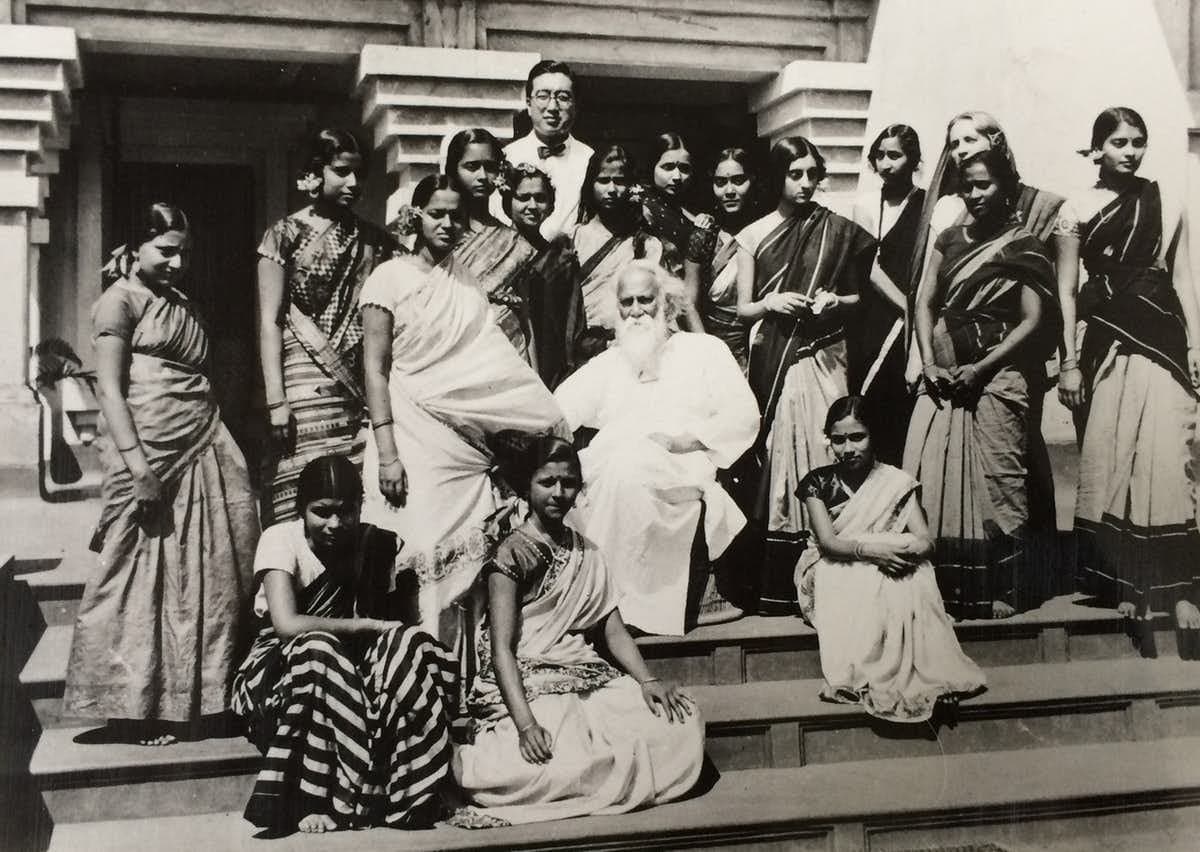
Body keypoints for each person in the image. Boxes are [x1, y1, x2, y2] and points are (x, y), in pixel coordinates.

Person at [63, 203, 259, 745]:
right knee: (142, 569)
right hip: (148, 448)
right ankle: (136, 706)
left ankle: (203, 698)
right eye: (166, 251)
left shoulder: (183, 305)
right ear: (135, 247)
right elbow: (108, 389)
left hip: (202, 436)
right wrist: (139, 467)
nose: (177, 262)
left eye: (185, 253)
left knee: (214, 565)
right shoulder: (118, 302)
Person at [451, 436, 703, 828]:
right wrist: (526, 724)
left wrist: (647, 680)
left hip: (582, 671)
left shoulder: (587, 551)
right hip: (528, 674)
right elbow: (501, 649)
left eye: (568, 483)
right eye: (547, 482)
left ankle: (599, 779)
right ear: (527, 485)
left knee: (679, 723)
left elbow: (613, 630)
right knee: (554, 762)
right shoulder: (511, 553)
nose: (558, 493)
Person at [359, 174, 564, 638]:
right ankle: (419, 662)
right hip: (408, 434)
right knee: (420, 547)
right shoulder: (387, 277)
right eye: (437, 213)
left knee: (466, 557)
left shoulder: (466, 281)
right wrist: (388, 451)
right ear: (415, 217)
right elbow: (375, 369)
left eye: (456, 215)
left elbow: (488, 361)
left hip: (464, 449)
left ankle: (461, 671)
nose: (448, 223)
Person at [232, 456, 458, 835]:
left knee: (409, 642)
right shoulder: (280, 539)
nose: (335, 524)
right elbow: (287, 626)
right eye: (321, 512)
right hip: (283, 673)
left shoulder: (376, 544)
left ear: (359, 508)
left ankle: (413, 792)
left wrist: (380, 637)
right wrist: (362, 626)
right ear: (300, 510)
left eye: (346, 512)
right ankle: (313, 797)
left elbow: (391, 623)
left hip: (353, 665)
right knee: (317, 648)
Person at [1053, 107, 1200, 657]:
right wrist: (1068, 361)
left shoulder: (1168, 200)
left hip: (1162, 336)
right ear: (1096, 149)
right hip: (1108, 342)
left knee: (1169, 456)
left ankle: (1182, 586)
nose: (1131, 151)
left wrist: (1195, 343)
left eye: (1138, 141)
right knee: (1117, 458)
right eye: (1118, 142)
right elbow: (1067, 291)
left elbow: (1182, 277)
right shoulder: (1076, 209)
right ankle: (1127, 585)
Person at [554, 261, 759, 635]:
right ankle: (595, 604)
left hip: (682, 462)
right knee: (597, 477)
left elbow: (743, 416)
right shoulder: (608, 363)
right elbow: (558, 411)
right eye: (626, 302)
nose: (635, 311)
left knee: (624, 474)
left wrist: (687, 441)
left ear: (665, 302)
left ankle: (620, 612)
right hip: (614, 461)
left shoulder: (704, 350)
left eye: (644, 300)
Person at [904, 147, 1059, 621]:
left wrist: (985, 368)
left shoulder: (1026, 245)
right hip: (945, 374)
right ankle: (949, 585)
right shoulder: (947, 238)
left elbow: (1032, 321)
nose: (974, 194)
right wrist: (929, 363)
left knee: (1000, 480)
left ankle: (1007, 587)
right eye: (967, 185)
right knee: (934, 478)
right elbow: (923, 302)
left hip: (998, 376)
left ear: (1006, 186)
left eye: (984, 184)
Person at [735, 136, 875, 614]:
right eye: (795, 175)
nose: (805, 184)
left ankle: (836, 567)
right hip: (777, 355)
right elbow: (742, 307)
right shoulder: (753, 235)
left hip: (825, 353)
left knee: (826, 445)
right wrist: (770, 302)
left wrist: (837, 301)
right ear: (777, 177)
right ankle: (781, 583)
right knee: (782, 455)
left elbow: (859, 298)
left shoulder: (837, 229)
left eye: (812, 175)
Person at [796, 397, 986, 722]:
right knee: (877, 555)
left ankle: (915, 668)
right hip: (831, 566)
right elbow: (828, 544)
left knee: (910, 560)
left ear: (874, 437)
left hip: (889, 566)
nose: (848, 448)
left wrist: (908, 552)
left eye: (858, 437)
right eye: (838, 440)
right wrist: (876, 551)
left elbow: (926, 540)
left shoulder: (896, 482)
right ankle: (870, 668)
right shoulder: (818, 482)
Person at [257, 128, 398, 525]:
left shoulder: (373, 240)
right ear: (314, 174)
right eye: (341, 172)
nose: (353, 183)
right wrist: (276, 401)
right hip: (302, 383)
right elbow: (270, 320)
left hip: (357, 384)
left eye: (358, 173)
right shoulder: (282, 236)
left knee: (353, 492)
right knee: (302, 485)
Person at [848, 125, 925, 465]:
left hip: (914, 320)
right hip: (875, 322)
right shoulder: (866, 206)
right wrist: (908, 310)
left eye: (895, 155)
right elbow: (870, 269)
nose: (886, 163)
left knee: (905, 406)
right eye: (880, 155)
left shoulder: (928, 205)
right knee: (871, 403)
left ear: (914, 159)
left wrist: (917, 313)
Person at [447, 128, 538, 364]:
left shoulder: (514, 242)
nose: (482, 176)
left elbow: (526, 316)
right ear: (453, 170)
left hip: (507, 351)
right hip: (454, 353)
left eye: (490, 167)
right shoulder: (441, 237)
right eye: (471, 166)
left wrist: (534, 378)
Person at [570, 144, 663, 351]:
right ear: (590, 185)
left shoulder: (646, 244)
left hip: (626, 341)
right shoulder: (573, 238)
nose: (611, 190)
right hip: (579, 345)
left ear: (632, 188)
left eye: (620, 181)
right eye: (603, 181)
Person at [502, 161, 585, 388]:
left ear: (550, 205)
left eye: (540, 198)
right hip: (504, 357)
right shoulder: (498, 251)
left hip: (550, 360)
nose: (532, 205)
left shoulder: (559, 258)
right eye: (523, 197)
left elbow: (572, 320)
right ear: (508, 200)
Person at [501, 60, 594, 240]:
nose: (552, 107)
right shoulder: (507, 156)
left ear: (575, 105)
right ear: (528, 104)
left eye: (563, 97)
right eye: (543, 96)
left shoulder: (589, 159)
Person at [641, 131, 718, 331]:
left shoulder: (685, 211)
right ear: (652, 167)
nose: (677, 177)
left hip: (692, 308)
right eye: (667, 167)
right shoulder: (643, 209)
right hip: (659, 314)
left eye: (684, 169)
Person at [705, 147, 758, 370]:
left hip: (757, 338)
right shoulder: (706, 233)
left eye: (738, 180)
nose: (729, 190)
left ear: (753, 181)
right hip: (713, 343)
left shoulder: (765, 230)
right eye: (720, 182)